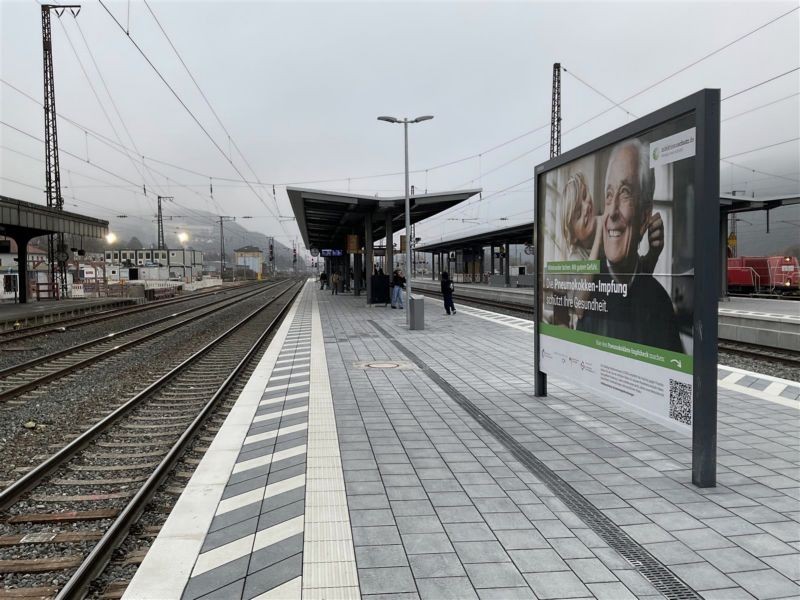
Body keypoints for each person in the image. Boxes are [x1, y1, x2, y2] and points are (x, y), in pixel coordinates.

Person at [577, 139, 682, 352]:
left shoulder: (660, 304)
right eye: (609, 195)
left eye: (625, 192)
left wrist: (652, 256)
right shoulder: (588, 293)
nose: (612, 211)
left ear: (644, 216)